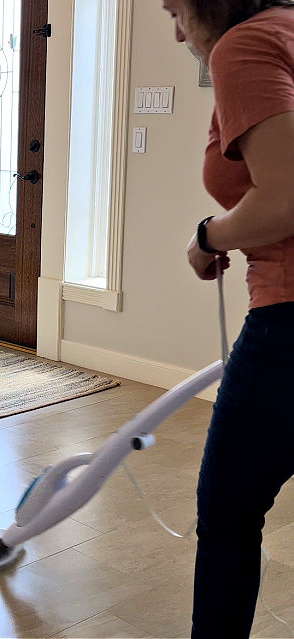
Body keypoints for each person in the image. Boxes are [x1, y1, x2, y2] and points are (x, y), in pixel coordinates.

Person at [160, 1, 294, 637]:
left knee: (228, 515)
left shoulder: (242, 47)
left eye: (174, 11)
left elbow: (284, 200)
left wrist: (208, 236)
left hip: (291, 322)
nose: (176, 29)